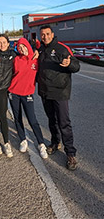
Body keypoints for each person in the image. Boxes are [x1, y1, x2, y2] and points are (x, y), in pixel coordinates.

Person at [38, 25, 80, 170]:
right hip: (45, 92)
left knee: (64, 123)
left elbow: (76, 66)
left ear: (52, 34)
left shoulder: (62, 48)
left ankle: (70, 153)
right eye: (42, 34)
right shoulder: (40, 49)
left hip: (60, 92)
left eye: (47, 34)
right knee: (52, 120)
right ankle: (55, 142)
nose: (45, 37)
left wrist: (70, 64)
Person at [8, 38, 48, 159]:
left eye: (24, 46)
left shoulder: (35, 59)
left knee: (32, 119)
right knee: (18, 118)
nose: (22, 49)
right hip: (14, 92)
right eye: (19, 47)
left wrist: (37, 50)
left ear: (28, 46)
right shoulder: (16, 59)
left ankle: (41, 144)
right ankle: (23, 140)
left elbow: (44, 49)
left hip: (28, 94)